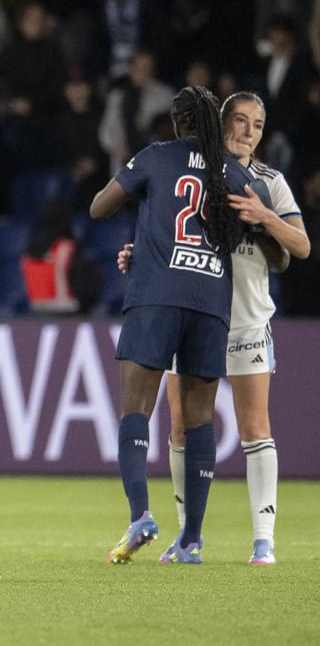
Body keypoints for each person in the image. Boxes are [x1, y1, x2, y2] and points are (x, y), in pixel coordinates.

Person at [117, 92, 310, 565]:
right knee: (181, 427)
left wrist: (264, 217)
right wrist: (140, 256)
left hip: (245, 321)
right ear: (219, 124)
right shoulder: (195, 171)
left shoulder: (267, 182)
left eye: (258, 125)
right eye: (240, 121)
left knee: (254, 427)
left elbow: (298, 247)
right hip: (196, 318)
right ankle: (188, 536)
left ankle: (263, 541)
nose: (248, 132)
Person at [91, 86, 259, 565]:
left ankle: (141, 514)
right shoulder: (235, 172)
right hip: (210, 302)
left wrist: (141, 198)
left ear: (178, 122)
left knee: (135, 409)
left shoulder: (158, 156)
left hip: (157, 296)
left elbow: (99, 207)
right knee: (199, 419)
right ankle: (191, 540)